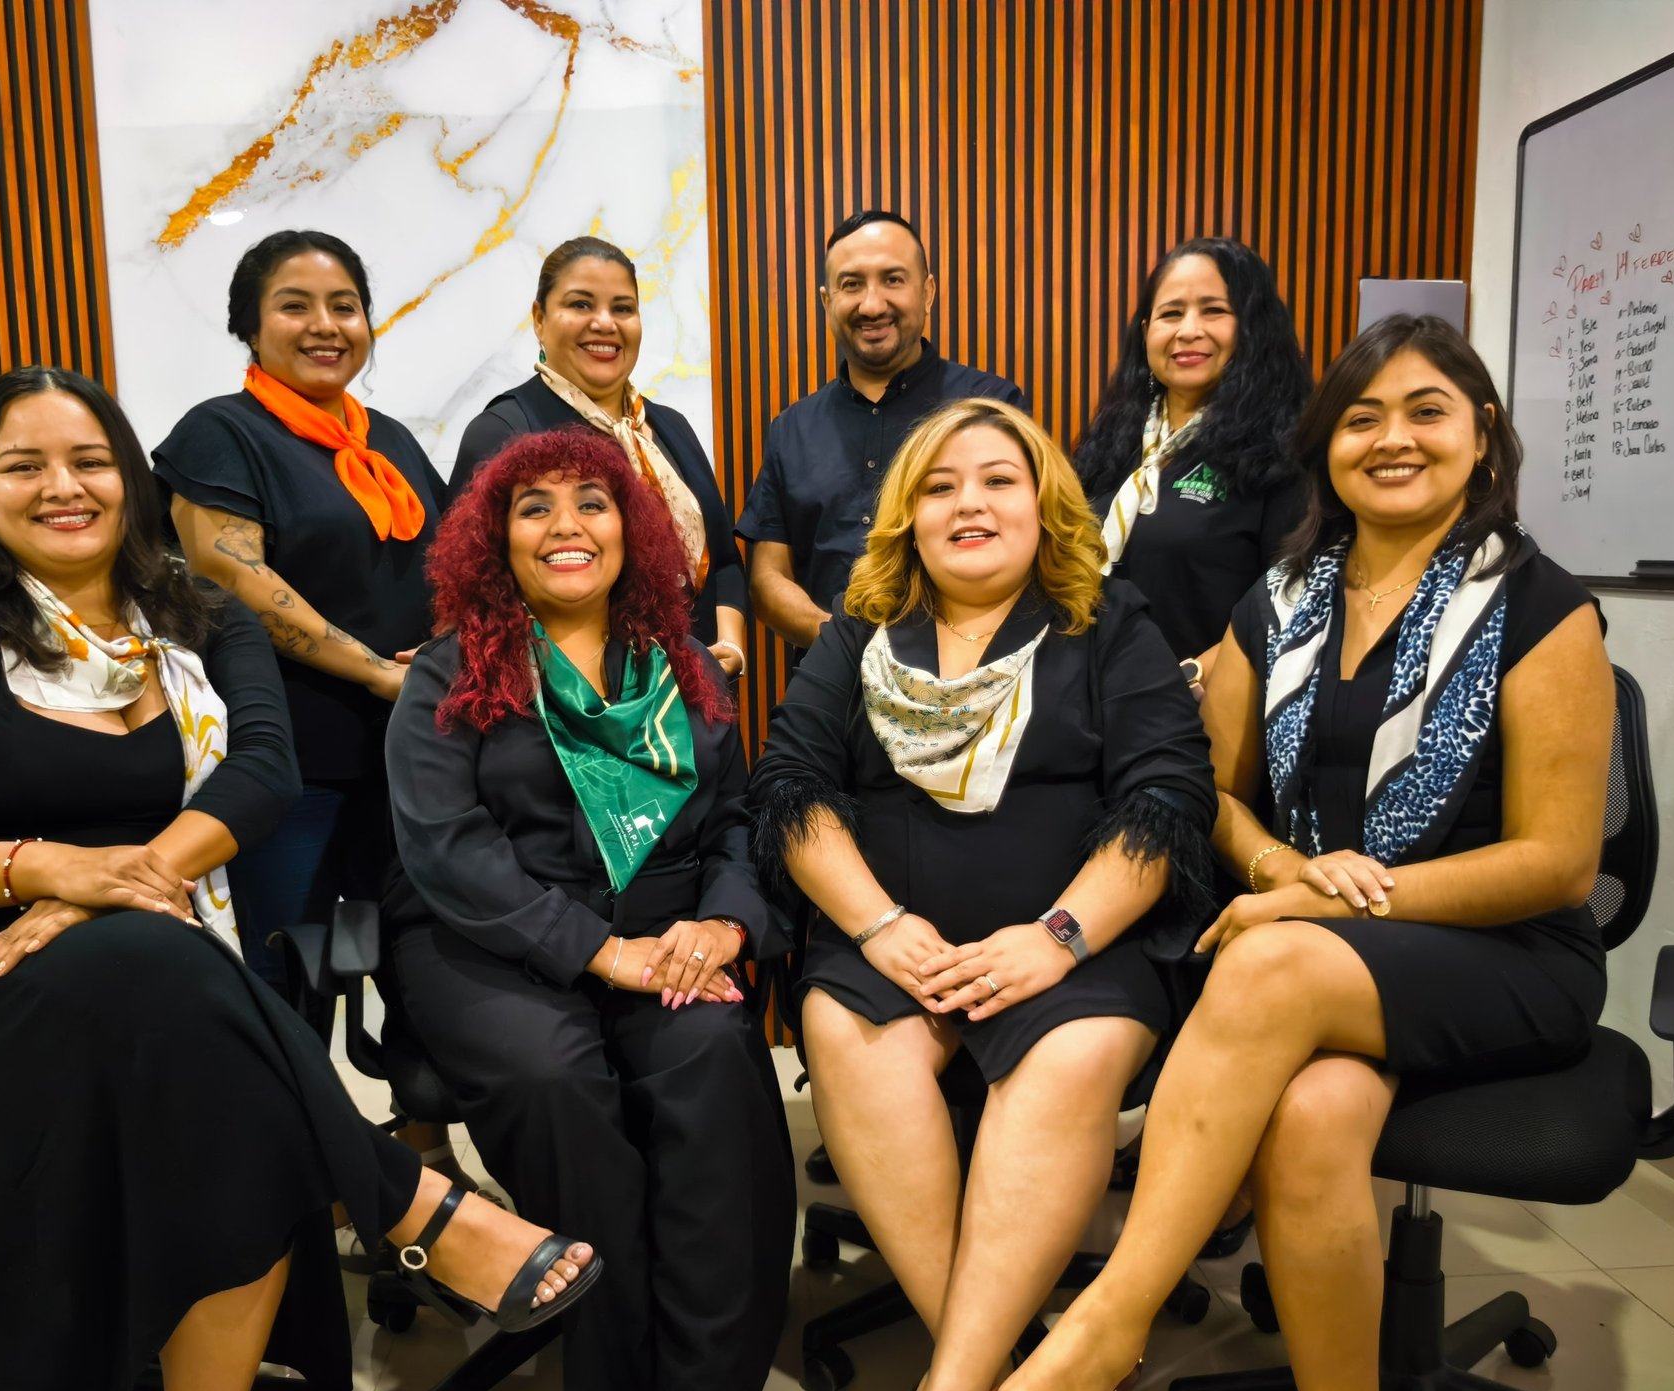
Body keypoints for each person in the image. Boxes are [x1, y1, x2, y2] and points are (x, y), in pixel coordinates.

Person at [0, 368, 599, 1391]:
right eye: (25, 466)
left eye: (90, 461)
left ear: (131, 480)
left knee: (214, 1063)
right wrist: (61, 872)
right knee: (185, 975)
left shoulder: (198, 614)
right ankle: (411, 1206)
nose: (65, 486)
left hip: (154, 956)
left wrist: (126, 880)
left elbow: (264, 771)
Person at [964, 316, 1613, 1391]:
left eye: (1426, 412)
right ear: (1326, 448)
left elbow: (1560, 866)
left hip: (1506, 958)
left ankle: (1104, 1331)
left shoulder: (1545, 607)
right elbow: (1206, 794)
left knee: (1266, 962)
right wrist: (1278, 863)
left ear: (1484, 435)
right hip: (1322, 954)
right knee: (1312, 1119)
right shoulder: (1273, 603)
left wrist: (1331, 900)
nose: (1391, 439)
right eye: (1361, 419)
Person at [748, 397, 1216, 1391]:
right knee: (846, 1033)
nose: (970, 502)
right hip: (891, 941)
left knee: (1071, 1058)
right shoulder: (858, 633)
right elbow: (789, 789)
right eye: (940, 485)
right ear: (906, 516)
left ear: (1044, 505)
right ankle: (1007, 1377)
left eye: (999, 480)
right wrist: (876, 926)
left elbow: (1168, 800)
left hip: (1074, 944)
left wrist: (1056, 937)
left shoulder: (1110, 621)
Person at [381, 426, 795, 1391]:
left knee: (708, 1064)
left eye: (592, 503)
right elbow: (447, 850)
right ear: (496, 540)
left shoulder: (689, 666)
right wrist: (601, 953)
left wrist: (726, 929)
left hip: (673, 930)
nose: (567, 526)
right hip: (490, 940)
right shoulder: (449, 674)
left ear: (631, 529)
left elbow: (739, 819)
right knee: (558, 1084)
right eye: (535, 507)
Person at [155, 229, 447, 991]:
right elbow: (233, 574)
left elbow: (450, 564)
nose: (325, 325)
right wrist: (380, 673)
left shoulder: (387, 442)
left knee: (408, 967)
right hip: (292, 771)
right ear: (248, 327)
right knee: (294, 976)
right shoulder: (222, 433)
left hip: (405, 760)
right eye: (295, 306)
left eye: (344, 307)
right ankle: (301, 1113)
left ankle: (416, 1115)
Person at [451, 235, 748, 677]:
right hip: (582, 713)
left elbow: (724, 560)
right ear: (539, 319)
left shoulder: (667, 427)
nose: (605, 323)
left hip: (699, 696)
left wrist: (729, 650)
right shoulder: (506, 431)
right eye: (581, 304)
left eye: (622, 308)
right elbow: (477, 596)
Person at [737, 209, 1027, 654]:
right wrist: (848, 647)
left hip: (972, 682)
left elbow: (1031, 549)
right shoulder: (791, 429)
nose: (872, 305)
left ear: (928, 292)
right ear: (826, 301)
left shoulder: (992, 408)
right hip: (831, 692)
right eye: (851, 284)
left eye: (893, 279)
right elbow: (767, 578)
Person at [1074, 237, 1310, 699]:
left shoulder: (1288, 453)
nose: (1188, 330)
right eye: (1170, 313)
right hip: (1091, 703)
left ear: (1253, 327)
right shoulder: (1111, 443)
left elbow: (1291, 602)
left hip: (1204, 708)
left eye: (1213, 311)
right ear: (1146, 332)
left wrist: (1186, 679)